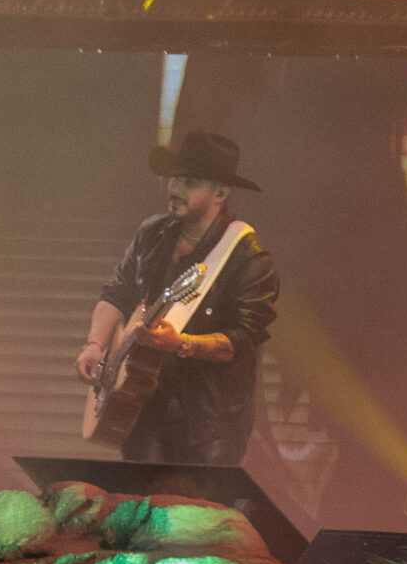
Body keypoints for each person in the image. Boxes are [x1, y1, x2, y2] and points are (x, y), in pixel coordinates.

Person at [74, 130, 279, 467]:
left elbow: (243, 340)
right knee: (143, 512)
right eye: (175, 178)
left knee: (196, 517)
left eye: (190, 181)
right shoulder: (152, 234)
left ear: (220, 192)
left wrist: (182, 344)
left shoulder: (248, 258)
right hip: (144, 410)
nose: (176, 188)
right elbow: (117, 292)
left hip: (208, 425)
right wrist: (95, 345)